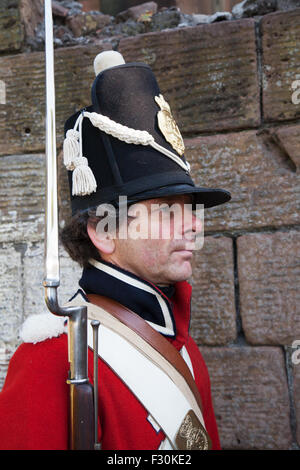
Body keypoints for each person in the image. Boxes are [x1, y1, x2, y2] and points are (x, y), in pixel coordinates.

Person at [0, 51, 231, 450]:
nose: (194, 225)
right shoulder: (52, 360)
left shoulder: (179, 340)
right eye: (165, 211)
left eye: (190, 209)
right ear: (104, 231)